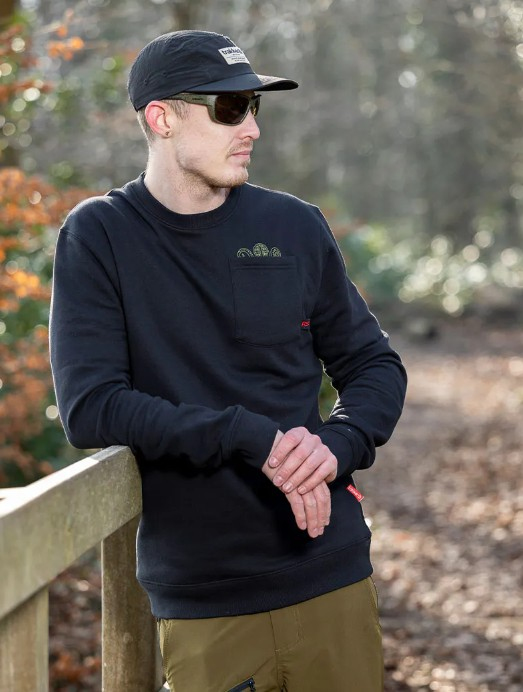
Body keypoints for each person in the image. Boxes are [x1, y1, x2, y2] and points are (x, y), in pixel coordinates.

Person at [50, 30, 407, 692]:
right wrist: (250, 438)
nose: (252, 129)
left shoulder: (293, 225)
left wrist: (338, 443)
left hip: (329, 573)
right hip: (204, 597)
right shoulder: (99, 236)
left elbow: (373, 364)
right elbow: (91, 407)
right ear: (162, 118)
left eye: (254, 106)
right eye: (230, 108)